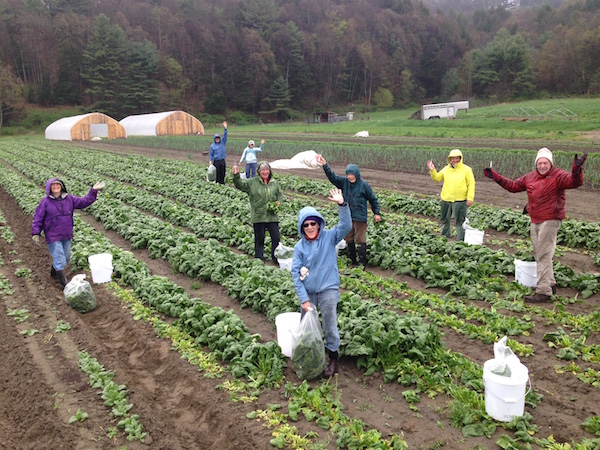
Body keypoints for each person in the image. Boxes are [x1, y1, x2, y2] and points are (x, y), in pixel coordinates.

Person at [484, 147, 587, 303]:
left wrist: (577, 170)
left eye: (545, 163)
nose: (543, 166)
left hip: (551, 219)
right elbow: (513, 186)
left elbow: (574, 182)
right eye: (540, 163)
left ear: (550, 163)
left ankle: (543, 291)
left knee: (544, 254)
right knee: (540, 253)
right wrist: (496, 176)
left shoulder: (558, 176)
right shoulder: (530, 177)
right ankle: (550, 284)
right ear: (536, 164)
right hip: (535, 218)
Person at [291, 188, 352, 377]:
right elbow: (295, 273)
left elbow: (346, 226)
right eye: (306, 224)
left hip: (328, 289)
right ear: (302, 227)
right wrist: (304, 299)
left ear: (319, 225)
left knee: (329, 324)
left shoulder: (329, 237)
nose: (310, 227)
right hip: (309, 293)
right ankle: (310, 359)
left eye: (313, 224)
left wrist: (342, 205)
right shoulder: (299, 248)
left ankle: (333, 360)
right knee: (306, 325)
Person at [32, 178, 105, 288]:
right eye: (53, 185)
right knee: (60, 259)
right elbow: (38, 217)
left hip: (66, 233)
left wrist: (93, 191)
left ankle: (54, 273)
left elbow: (84, 202)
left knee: (65, 258)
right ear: (49, 188)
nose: (56, 186)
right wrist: (36, 232)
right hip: (52, 235)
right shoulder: (45, 202)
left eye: (58, 185)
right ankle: (64, 285)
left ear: (61, 187)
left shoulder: (69, 199)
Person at [316, 155, 381, 267]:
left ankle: (362, 262)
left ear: (357, 174)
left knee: (360, 238)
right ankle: (352, 259)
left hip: (360, 216)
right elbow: (333, 178)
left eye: (352, 174)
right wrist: (325, 165)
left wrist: (376, 213)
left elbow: (373, 199)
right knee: (348, 237)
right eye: (348, 174)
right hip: (348, 216)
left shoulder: (364, 185)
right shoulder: (344, 182)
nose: (350, 177)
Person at [232, 161, 282, 263]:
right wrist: (236, 175)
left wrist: (278, 203)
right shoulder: (252, 182)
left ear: (270, 171)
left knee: (276, 237)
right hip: (258, 215)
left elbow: (279, 194)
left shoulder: (275, 183)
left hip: (272, 215)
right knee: (260, 238)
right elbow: (240, 185)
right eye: (262, 170)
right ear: (259, 171)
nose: (265, 172)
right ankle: (259, 259)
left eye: (267, 169)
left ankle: (275, 258)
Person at [427, 149, 475, 241]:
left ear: (461, 158)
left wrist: (470, 198)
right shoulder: (446, 169)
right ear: (450, 159)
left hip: (460, 200)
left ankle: (461, 239)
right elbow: (437, 178)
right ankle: (445, 236)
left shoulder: (467, 170)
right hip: (446, 198)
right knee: (444, 219)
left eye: (457, 158)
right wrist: (433, 170)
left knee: (460, 221)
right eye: (453, 158)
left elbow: (471, 184)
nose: (455, 160)